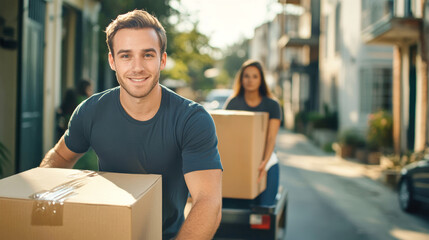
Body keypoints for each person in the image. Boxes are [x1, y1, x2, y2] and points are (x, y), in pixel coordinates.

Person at [40, 9, 223, 240]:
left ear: (162, 60)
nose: (137, 67)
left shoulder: (191, 119)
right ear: (112, 61)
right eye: (126, 56)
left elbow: (208, 202)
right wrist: (41, 211)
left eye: (147, 55)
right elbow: (60, 157)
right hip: (102, 232)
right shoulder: (90, 111)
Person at [224, 59, 281, 206]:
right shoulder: (233, 103)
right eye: (246, 76)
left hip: (266, 160)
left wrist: (263, 163)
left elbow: (271, 138)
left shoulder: (272, 105)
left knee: (264, 209)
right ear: (241, 79)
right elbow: (226, 136)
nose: (250, 80)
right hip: (238, 160)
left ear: (261, 79)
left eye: (255, 76)